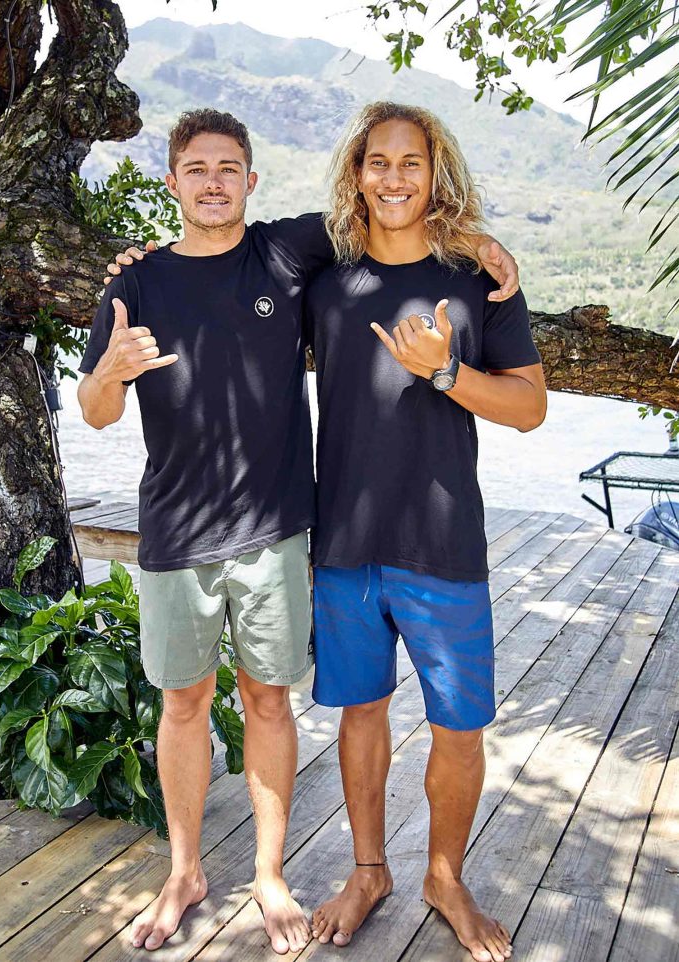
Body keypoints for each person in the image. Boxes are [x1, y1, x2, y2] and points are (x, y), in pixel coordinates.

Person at [88, 107, 520, 955]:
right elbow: (98, 411)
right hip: (188, 531)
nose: (213, 183)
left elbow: (391, 212)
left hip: (286, 529)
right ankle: (191, 872)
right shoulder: (135, 284)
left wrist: (482, 243)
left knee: (273, 703)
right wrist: (107, 371)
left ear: (251, 181)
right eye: (196, 169)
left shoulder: (288, 255)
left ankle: (282, 875)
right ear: (171, 181)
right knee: (189, 704)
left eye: (229, 169)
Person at [304, 101, 547, 962]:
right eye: (379, 162)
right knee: (360, 712)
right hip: (344, 542)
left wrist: (446, 371)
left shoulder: (479, 279)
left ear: (434, 173)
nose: (395, 178)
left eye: (412, 163)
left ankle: (445, 876)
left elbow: (530, 405)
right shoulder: (326, 283)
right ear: (357, 173)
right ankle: (368, 871)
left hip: (443, 542)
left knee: (458, 724)